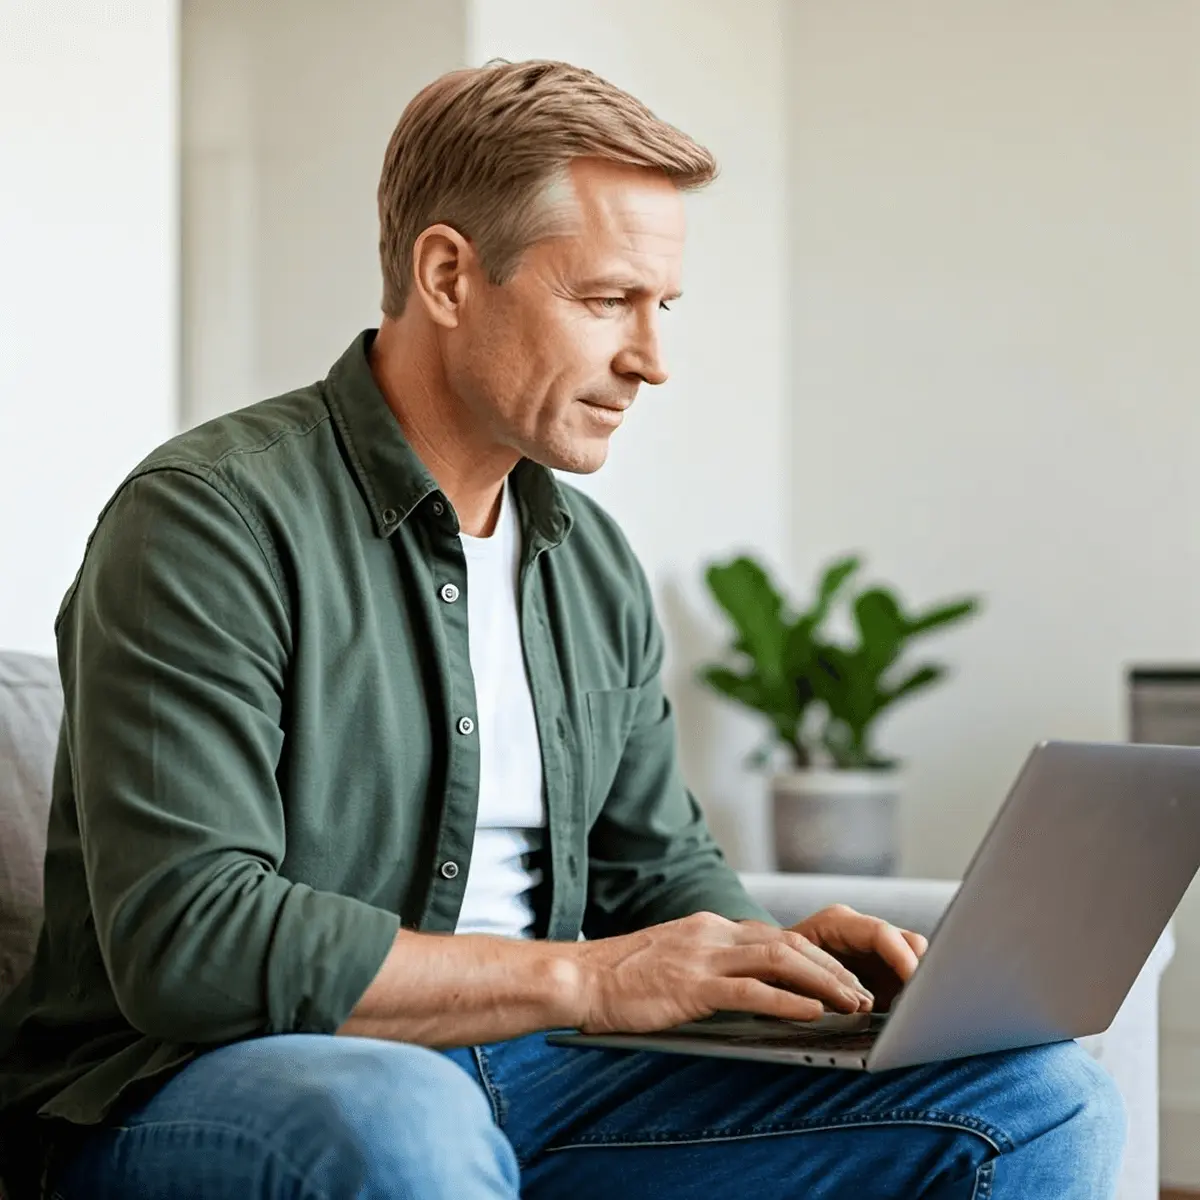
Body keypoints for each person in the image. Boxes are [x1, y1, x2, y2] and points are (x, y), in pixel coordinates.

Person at [0, 59, 1123, 1199]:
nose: (652, 359)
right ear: (448, 275)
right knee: (402, 1116)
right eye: (605, 301)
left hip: (541, 1081)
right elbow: (190, 940)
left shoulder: (588, 564)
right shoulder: (211, 518)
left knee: (1034, 1099)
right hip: (221, 1089)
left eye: (662, 307)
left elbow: (655, 867)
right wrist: (588, 980)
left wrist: (775, 967)